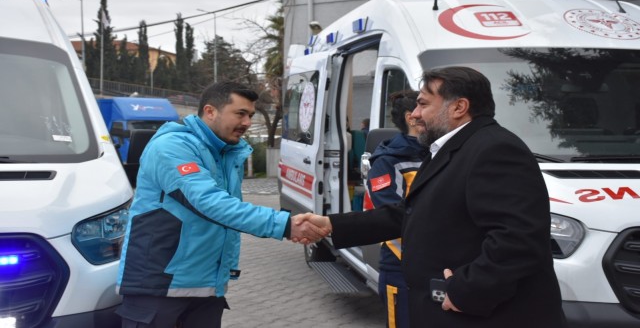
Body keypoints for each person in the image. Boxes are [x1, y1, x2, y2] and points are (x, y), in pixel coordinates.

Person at [296, 67, 567, 328]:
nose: (414, 115)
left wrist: (466, 292)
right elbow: (410, 212)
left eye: (423, 104)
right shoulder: (452, 148)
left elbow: (518, 239)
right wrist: (332, 225)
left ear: (459, 107)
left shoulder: (495, 149)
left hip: (482, 316)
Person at [115, 81, 327, 328]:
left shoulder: (226, 152)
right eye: (240, 114)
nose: (247, 122)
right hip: (158, 287)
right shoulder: (172, 146)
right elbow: (210, 203)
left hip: (205, 287)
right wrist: (285, 225)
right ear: (210, 111)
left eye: (250, 115)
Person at [365, 91, 427, 328]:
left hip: (437, 267)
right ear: (412, 117)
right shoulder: (388, 161)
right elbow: (390, 215)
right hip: (401, 267)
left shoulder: (438, 154)